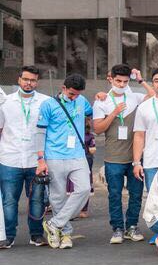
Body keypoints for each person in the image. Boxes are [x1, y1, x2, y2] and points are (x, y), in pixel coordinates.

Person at [35, 74, 94, 249]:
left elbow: (91, 114)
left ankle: (54, 224)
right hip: (54, 155)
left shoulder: (82, 100)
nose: (74, 97)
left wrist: (101, 97)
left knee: (84, 189)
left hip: (77, 155)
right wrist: (40, 159)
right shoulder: (48, 105)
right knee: (57, 196)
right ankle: (65, 233)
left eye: (77, 94)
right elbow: (40, 133)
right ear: (63, 88)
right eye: (71, 94)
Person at [92, 64, 146, 244]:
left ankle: (132, 226)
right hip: (112, 158)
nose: (121, 84)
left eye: (125, 81)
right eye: (118, 81)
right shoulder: (101, 101)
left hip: (135, 158)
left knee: (136, 194)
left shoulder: (135, 97)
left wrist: (140, 80)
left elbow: (156, 97)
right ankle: (117, 228)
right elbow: (98, 129)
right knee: (114, 194)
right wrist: (114, 113)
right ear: (110, 78)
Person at [0, 66, 49, 248]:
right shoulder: (5, 102)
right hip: (9, 158)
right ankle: (8, 236)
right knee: (9, 200)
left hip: (35, 160)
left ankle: (36, 234)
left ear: (37, 82)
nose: (29, 83)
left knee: (37, 199)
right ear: (19, 79)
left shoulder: (45, 102)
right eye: (26, 79)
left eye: (33, 80)